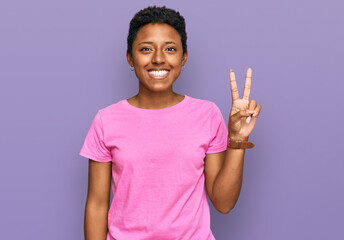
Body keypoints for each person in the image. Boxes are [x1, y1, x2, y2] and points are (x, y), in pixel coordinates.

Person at [79, 5, 261, 240]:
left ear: (184, 57)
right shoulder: (106, 120)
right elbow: (96, 205)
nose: (158, 59)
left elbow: (223, 203)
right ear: (129, 57)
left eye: (170, 49)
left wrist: (237, 140)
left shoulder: (207, 114)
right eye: (146, 49)